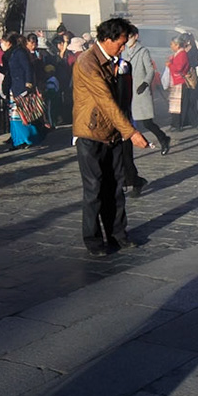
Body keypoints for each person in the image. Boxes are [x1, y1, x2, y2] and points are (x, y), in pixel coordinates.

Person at [73, 17, 151, 254]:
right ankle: (93, 240)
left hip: (113, 134)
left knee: (116, 188)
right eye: (120, 42)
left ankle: (118, 234)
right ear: (106, 39)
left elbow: (121, 99)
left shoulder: (117, 61)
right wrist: (132, 132)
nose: (123, 46)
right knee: (94, 190)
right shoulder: (88, 62)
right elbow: (105, 101)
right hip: (91, 134)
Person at [123, 29, 170, 155]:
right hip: (126, 90)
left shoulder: (143, 51)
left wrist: (145, 83)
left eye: (130, 36)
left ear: (136, 36)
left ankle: (163, 138)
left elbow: (150, 70)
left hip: (140, 90)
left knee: (147, 122)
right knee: (125, 121)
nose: (127, 39)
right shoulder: (123, 51)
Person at [3, 31, 43, 148]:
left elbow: (27, 68)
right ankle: (18, 140)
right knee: (15, 116)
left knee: (22, 115)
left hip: (21, 87)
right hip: (14, 87)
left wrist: (28, 84)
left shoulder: (20, 53)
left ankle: (27, 139)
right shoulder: (13, 53)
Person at [169, 35, 198, 130]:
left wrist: (170, 65)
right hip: (177, 81)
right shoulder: (178, 53)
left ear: (177, 45)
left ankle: (193, 122)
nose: (171, 46)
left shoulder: (182, 54)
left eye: (172, 44)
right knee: (181, 104)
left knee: (186, 104)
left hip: (181, 81)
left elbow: (179, 68)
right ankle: (178, 124)